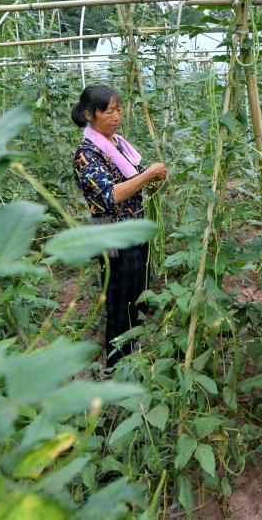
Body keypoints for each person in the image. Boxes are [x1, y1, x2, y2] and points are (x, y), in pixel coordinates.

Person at [71, 84, 166, 367]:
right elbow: (111, 195)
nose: (116, 116)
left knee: (137, 292)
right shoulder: (86, 154)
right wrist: (148, 174)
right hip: (113, 234)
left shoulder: (118, 145)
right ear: (90, 114)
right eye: (108, 111)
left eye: (119, 109)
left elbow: (133, 184)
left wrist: (152, 181)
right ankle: (116, 363)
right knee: (119, 298)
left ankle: (133, 352)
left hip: (135, 228)